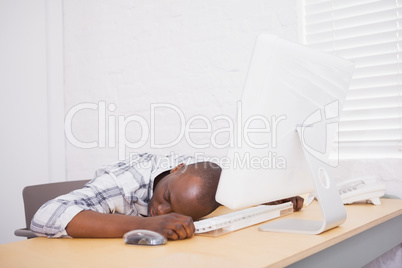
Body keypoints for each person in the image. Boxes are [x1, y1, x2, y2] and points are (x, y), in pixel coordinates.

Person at [31, 153, 303, 240]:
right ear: (176, 170)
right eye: (166, 198)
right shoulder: (125, 184)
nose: (160, 210)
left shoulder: (200, 176)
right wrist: (145, 225)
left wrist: (266, 196)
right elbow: (45, 214)